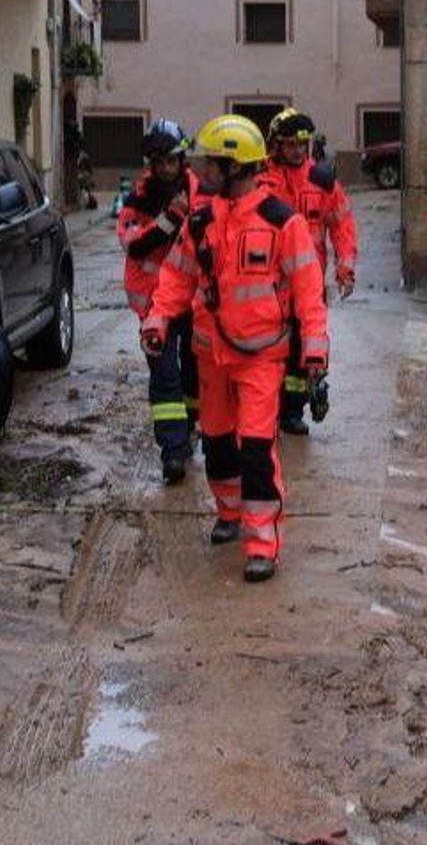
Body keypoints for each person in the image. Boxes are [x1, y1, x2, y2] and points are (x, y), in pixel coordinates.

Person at [142, 114, 329, 582]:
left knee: (256, 447)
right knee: (219, 443)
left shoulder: (281, 222)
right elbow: (177, 276)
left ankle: (262, 540)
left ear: (237, 167)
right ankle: (229, 514)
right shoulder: (202, 220)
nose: (202, 171)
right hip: (211, 355)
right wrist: (158, 318)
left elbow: (309, 290)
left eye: (212, 164)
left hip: (262, 356)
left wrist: (315, 353)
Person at [117, 119, 207, 482]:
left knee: (194, 373)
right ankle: (172, 450)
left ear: (182, 160)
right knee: (164, 375)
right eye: (160, 162)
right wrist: (170, 219)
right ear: (151, 165)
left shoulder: (200, 193)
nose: (167, 168)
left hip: (192, 301)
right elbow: (133, 241)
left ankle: (187, 433)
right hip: (154, 306)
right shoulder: (137, 200)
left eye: (172, 161)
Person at [262, 108, 358, 435]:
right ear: (276, 144)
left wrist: (345, 266)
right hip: (269, 285)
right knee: (269, 348)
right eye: (289, 144)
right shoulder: (261, 180)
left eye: (301, 144)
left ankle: (292, 410)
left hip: (309, 282)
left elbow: (343, 224)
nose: (296, 151)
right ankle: (263, 407)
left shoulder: (322, 180)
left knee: (303, 350)